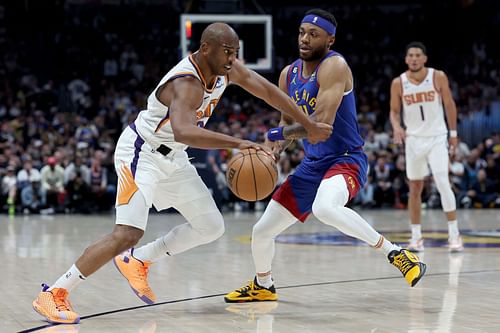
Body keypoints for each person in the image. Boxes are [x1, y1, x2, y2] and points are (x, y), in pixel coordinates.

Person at [32, 23, 332, 324]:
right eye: (227, 52)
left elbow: (266, 90)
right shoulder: (187, 82)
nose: (232, 58)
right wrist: (238, 142)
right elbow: (185, 131)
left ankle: (138, 259)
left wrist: (307, 124)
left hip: (173, 158)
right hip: (141, 154)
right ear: (205, 49)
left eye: (235, 53)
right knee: (127, 233)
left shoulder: (227, 70)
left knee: (211, 226)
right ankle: (55, 292)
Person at [224, 9, 426, 303]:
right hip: (312, 165)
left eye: (313, 34)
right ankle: (263, 284)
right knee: (262, 231)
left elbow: (320, 128)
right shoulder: (288, 74)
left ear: (330, 40)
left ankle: (396, 253)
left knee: (325, 208)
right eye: (301, 32)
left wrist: (276, 136)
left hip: (345, 158)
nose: (304, 39)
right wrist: (273, 151)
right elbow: (285, 124)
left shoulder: (335, 67)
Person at [389, 41, 463, 252]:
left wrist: (454, 134)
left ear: (424, 58)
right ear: (406, 59)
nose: (413, 58)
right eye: (410, 55)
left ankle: (454, 234)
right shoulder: (399, 83)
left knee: (442, 181)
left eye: (417, 55)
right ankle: (416, 237)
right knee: (414, 188)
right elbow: (394, 112)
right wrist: (396, 127)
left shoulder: (437, 76)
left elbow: (449, 104)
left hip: (437, 137)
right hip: (413, 139)